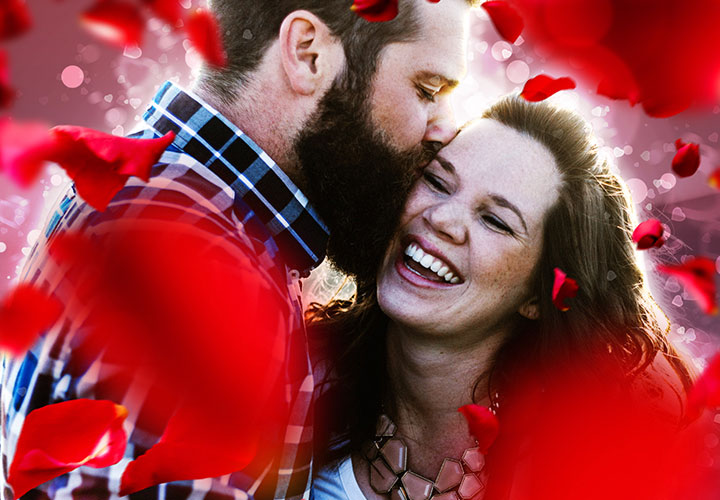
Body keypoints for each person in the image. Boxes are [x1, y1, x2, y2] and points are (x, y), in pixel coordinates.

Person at [0, 1, 478, 499]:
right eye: (427, 90)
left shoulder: (166, 199)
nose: (444, 129)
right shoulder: (194, 256)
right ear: (308, 53)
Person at [308, 95, 702, 500]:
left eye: (495, 221)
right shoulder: (297, 383)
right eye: (437, 182)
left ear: (539, 296)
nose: (441, 218)